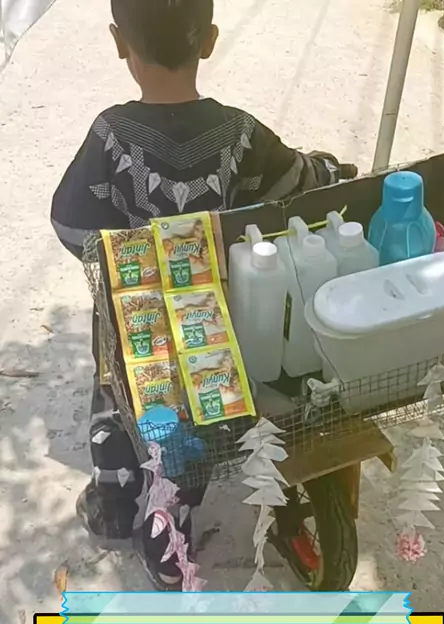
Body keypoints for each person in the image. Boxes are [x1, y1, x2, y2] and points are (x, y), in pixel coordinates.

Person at [51, 0, 357, 590]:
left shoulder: (110, 134)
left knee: (117, 393)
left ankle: (119, 506)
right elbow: (299, 182)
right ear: (210, 40)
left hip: (137, 325)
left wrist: (122, 257)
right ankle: (182, 521)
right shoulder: (240, 131)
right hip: (217, 317)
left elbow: (69, 222)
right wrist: (328, 168)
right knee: (201, 403)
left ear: (119, 42)